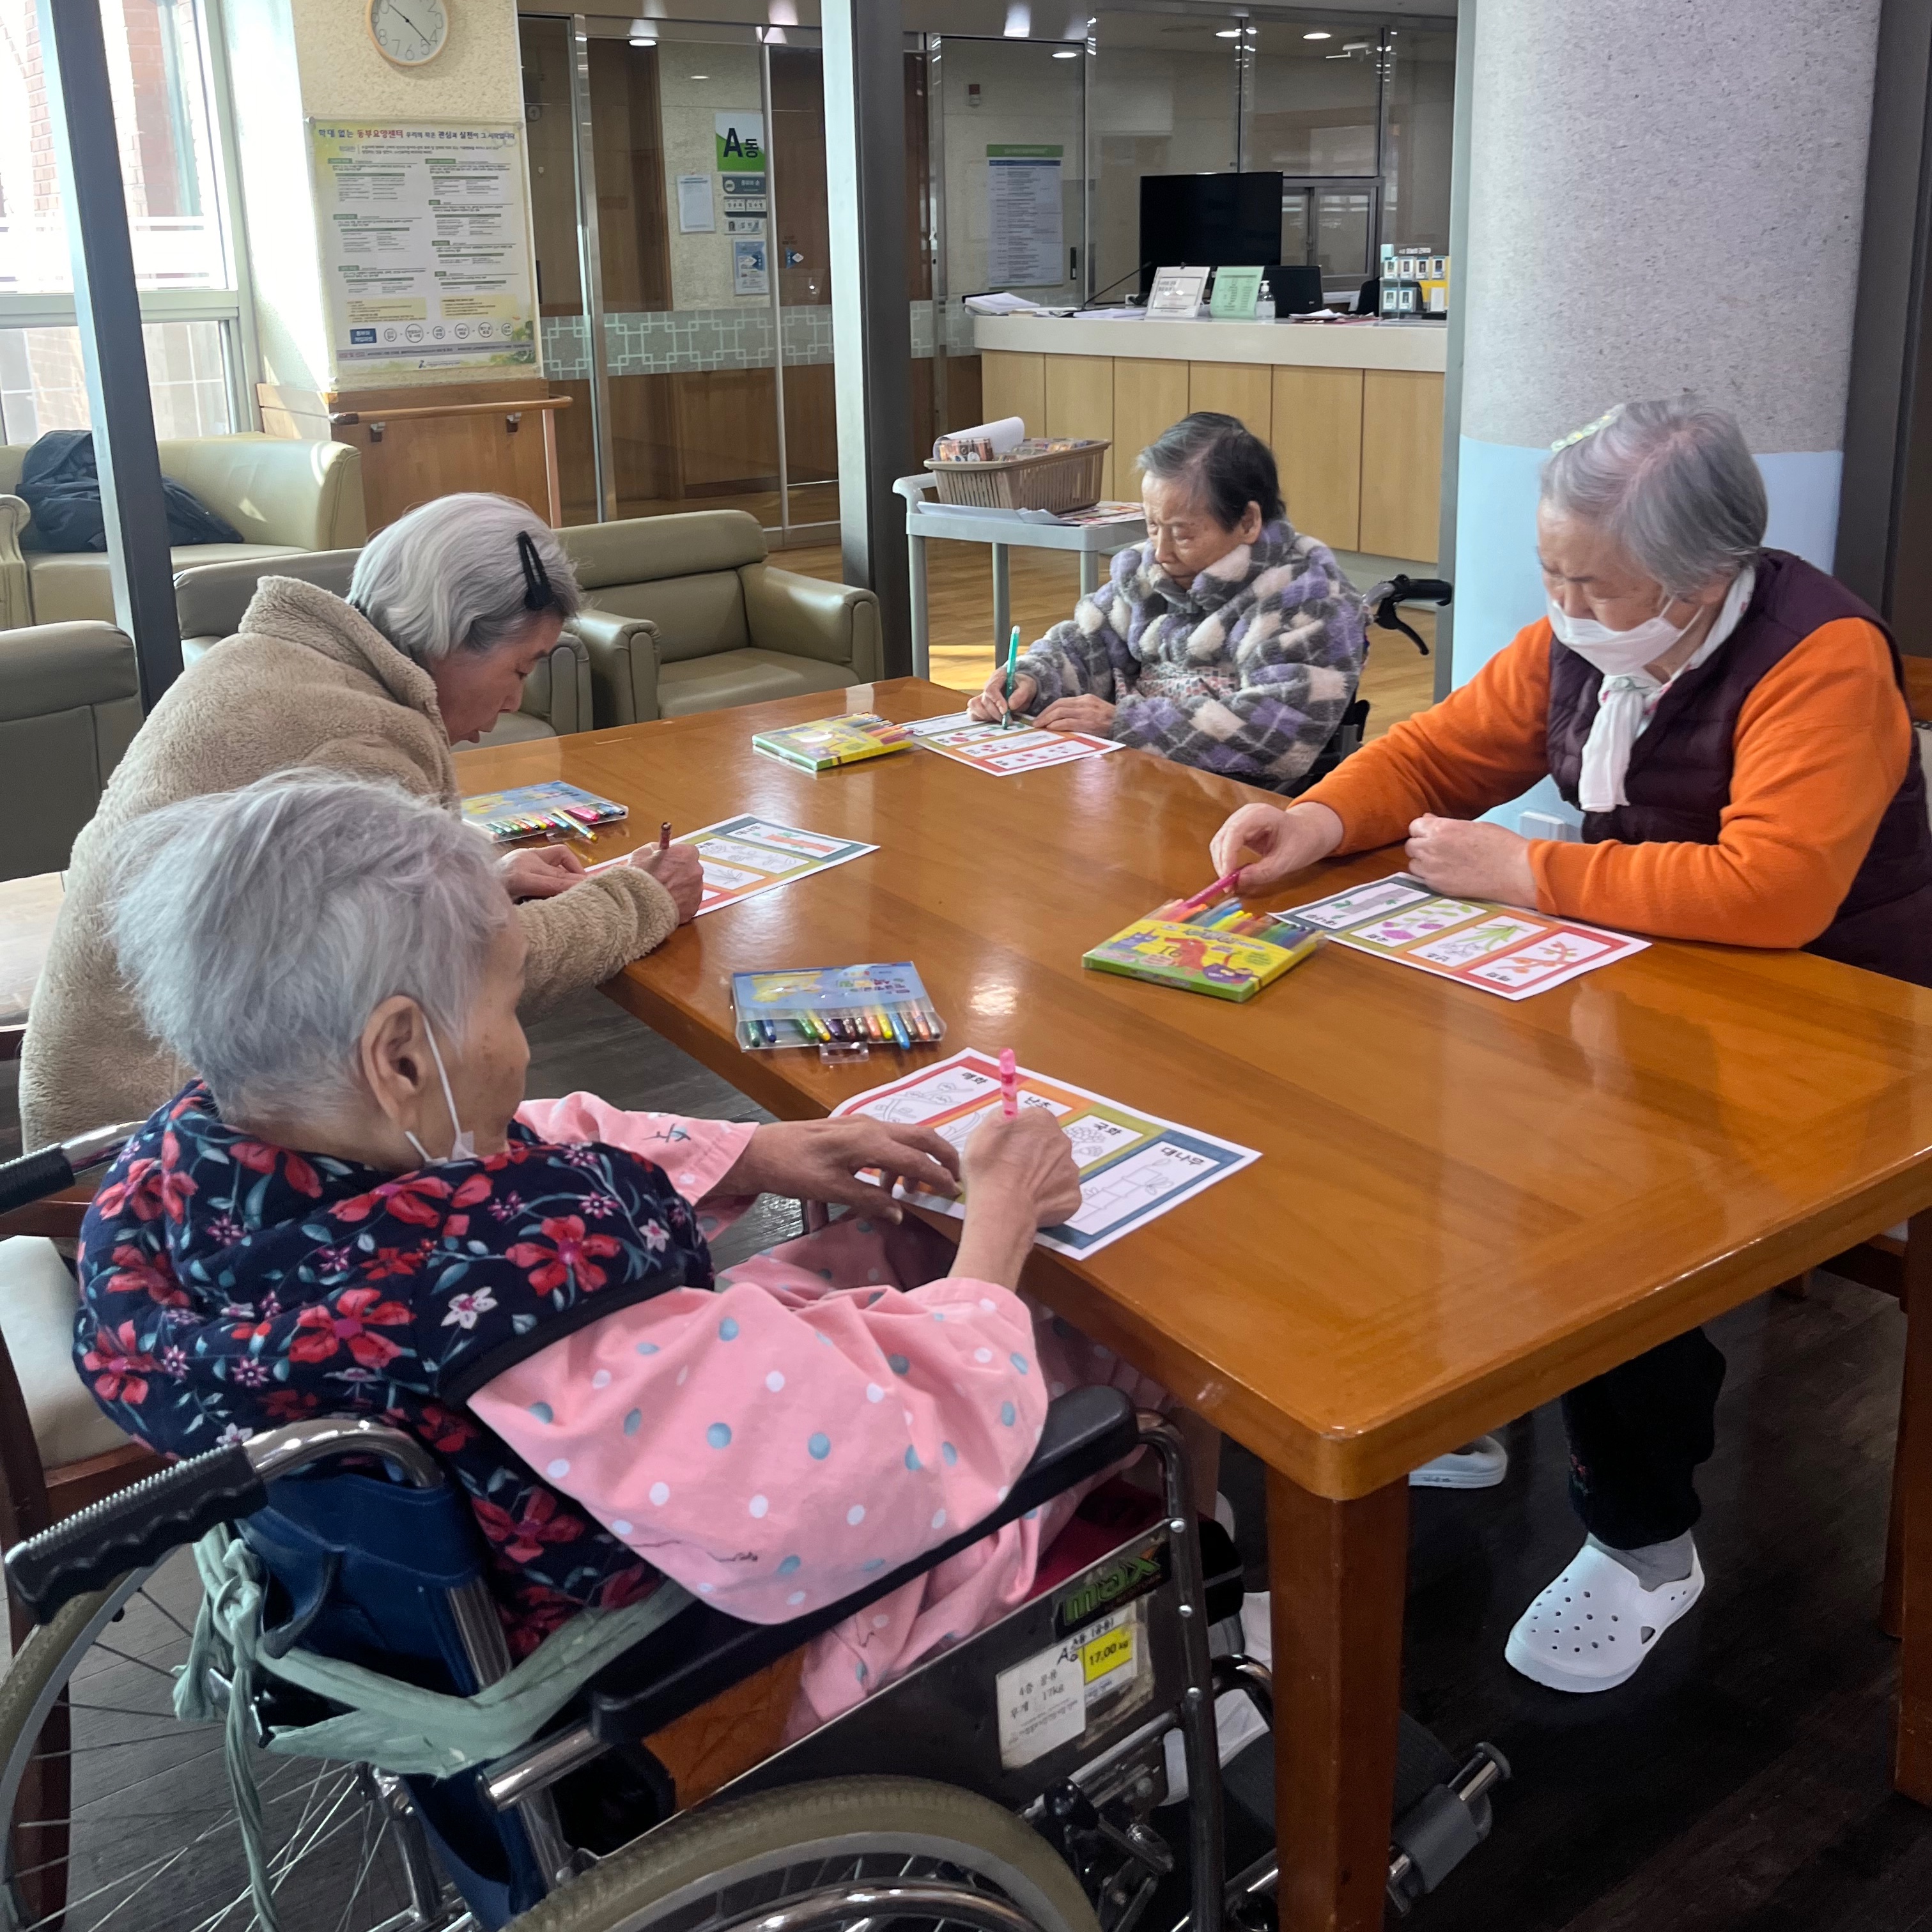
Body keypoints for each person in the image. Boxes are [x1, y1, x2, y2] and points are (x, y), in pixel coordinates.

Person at [75, 771, 1162, 1730]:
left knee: (888, 1243)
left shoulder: (195, 1175)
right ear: (400, 1057)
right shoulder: (529, 1318)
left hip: (492, 1526)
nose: (521, 1048)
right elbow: (873, 1477)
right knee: (1099, 1340)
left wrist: (757, 1151)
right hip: (713, 1641)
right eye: (508, 1007)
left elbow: (523, 1144)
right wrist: (998, 1235)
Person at [1209, 396, 1932, 1695]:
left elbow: (1772, 892)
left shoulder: (1817, 658)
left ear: (1699, 577)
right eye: (1550, 569)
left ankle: (1643, 1539)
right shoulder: (1588, 640)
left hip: (1841, 1014)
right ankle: (1460, 1387)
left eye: (1590, 580)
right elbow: (1435, 754)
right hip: (1659, 976)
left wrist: (1528, 872)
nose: (1561, 601)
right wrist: (1316, 820)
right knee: (1433, 1102)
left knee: (1615, 1200)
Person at [21, 493, 703, 1150]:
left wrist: (481, 883)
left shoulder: (262, 663)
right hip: (162, 1150)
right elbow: (457, 977)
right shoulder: (358, 737)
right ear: (453, 634)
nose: (512, 700)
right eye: (519, 668)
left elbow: (289, 911)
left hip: (92, 1111)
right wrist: (639, 899)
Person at [964, 412, 1367, 792]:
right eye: (1152, 525)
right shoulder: (1152, 572)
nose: (1161, 551)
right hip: (1141, 784)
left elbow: (1275, 734)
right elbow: (1086, 644)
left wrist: (1124, 723)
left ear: (1248, 522)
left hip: (1237, 805)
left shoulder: (1309, 597)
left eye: (1182, 534)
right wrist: (1031, 679)